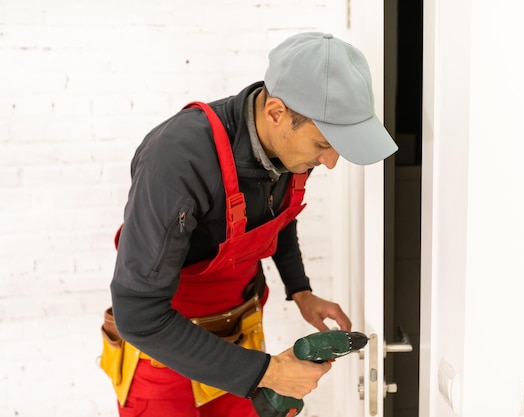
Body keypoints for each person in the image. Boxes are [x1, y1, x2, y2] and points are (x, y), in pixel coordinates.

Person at [100, 32, 398, 417]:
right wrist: (268, 372)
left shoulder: (286, 149)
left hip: (240, 336)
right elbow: (138, 316)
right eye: (323, 145)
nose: (330, 162)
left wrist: (301, 290)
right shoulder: (176, 161)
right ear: (276, 112)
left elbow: (280, 215)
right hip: (164, 351)